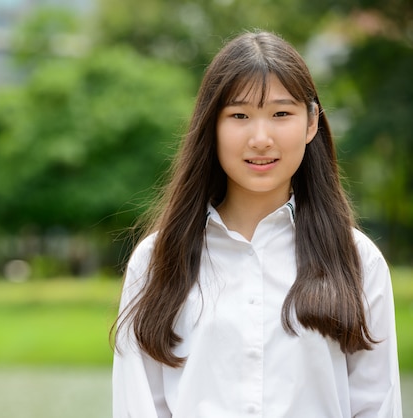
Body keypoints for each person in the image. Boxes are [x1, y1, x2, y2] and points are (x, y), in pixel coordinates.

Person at [112, 30, 402, 418]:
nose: (261, 138)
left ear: (311, 122)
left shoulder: (357, 260)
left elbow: (376, 405)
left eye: (281, 114)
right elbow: (140, 405)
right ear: (211, 126)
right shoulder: (156, 261)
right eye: (239, 115)